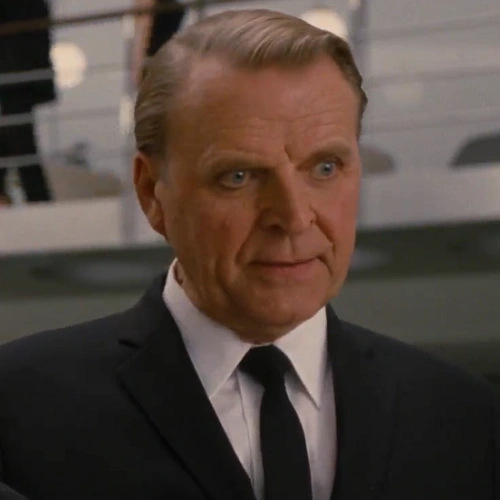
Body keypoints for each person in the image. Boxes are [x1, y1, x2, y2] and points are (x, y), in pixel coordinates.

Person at [0, 9, 498, 500]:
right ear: (152, 192)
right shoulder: (19, 407)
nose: (294, 217)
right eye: (238, 176)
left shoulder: (465, 418)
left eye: (325, 168)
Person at [0, 0, 56, 205]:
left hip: (15, 72)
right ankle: (36, 199)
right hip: (19, 70)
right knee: (13, 135)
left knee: (18, 137)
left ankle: (39, 200)